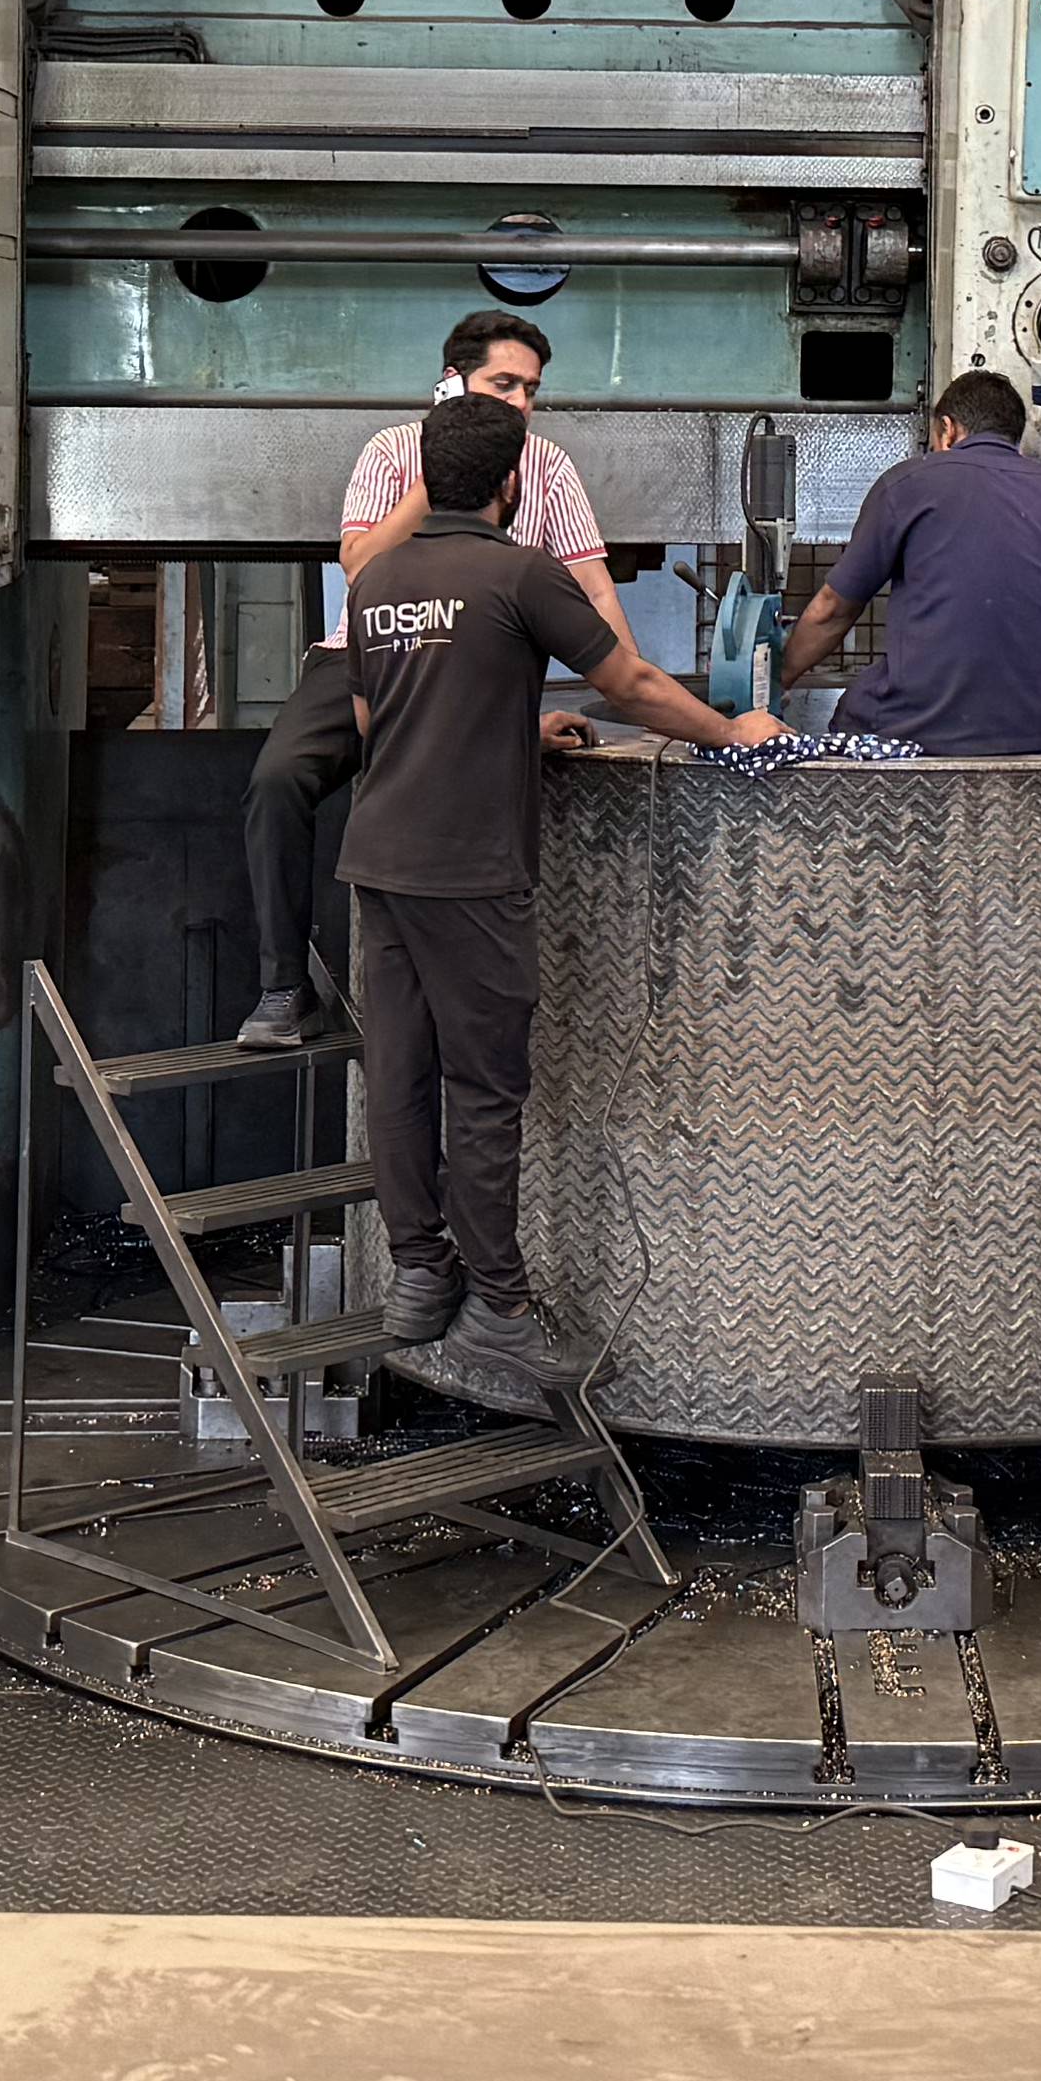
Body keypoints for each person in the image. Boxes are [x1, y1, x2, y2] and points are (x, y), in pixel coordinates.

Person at [341, 391, 777, 1398]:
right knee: (483, 1091)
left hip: (380, 858)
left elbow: (375, 715)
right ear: (510, 483)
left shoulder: (377, 580)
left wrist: (510, 726)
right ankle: (498, 1310)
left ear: (423, 481)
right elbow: (628, 684)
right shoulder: (521, 572)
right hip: (470, 869)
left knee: (399, 1073)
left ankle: (419, 1275)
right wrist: (731, 732)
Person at [236, 309, 613, 1050]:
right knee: (276, 781)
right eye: (503, 385)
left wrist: (636, 689)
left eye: (531, 390)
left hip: (474, 669)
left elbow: (594, 585)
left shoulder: (549, 466)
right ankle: (284, 987)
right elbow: (360, 565)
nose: (521, 403)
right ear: (452, 383)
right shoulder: (390, 451)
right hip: (373, 654)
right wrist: (440, 471)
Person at [780, 369, 1041, 755]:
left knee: (850, 711)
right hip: (1035, 735)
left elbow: (833, 610)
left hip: (909, 731)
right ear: (1015, 435)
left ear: (948, 429)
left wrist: (775, 687)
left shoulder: (906, 484)